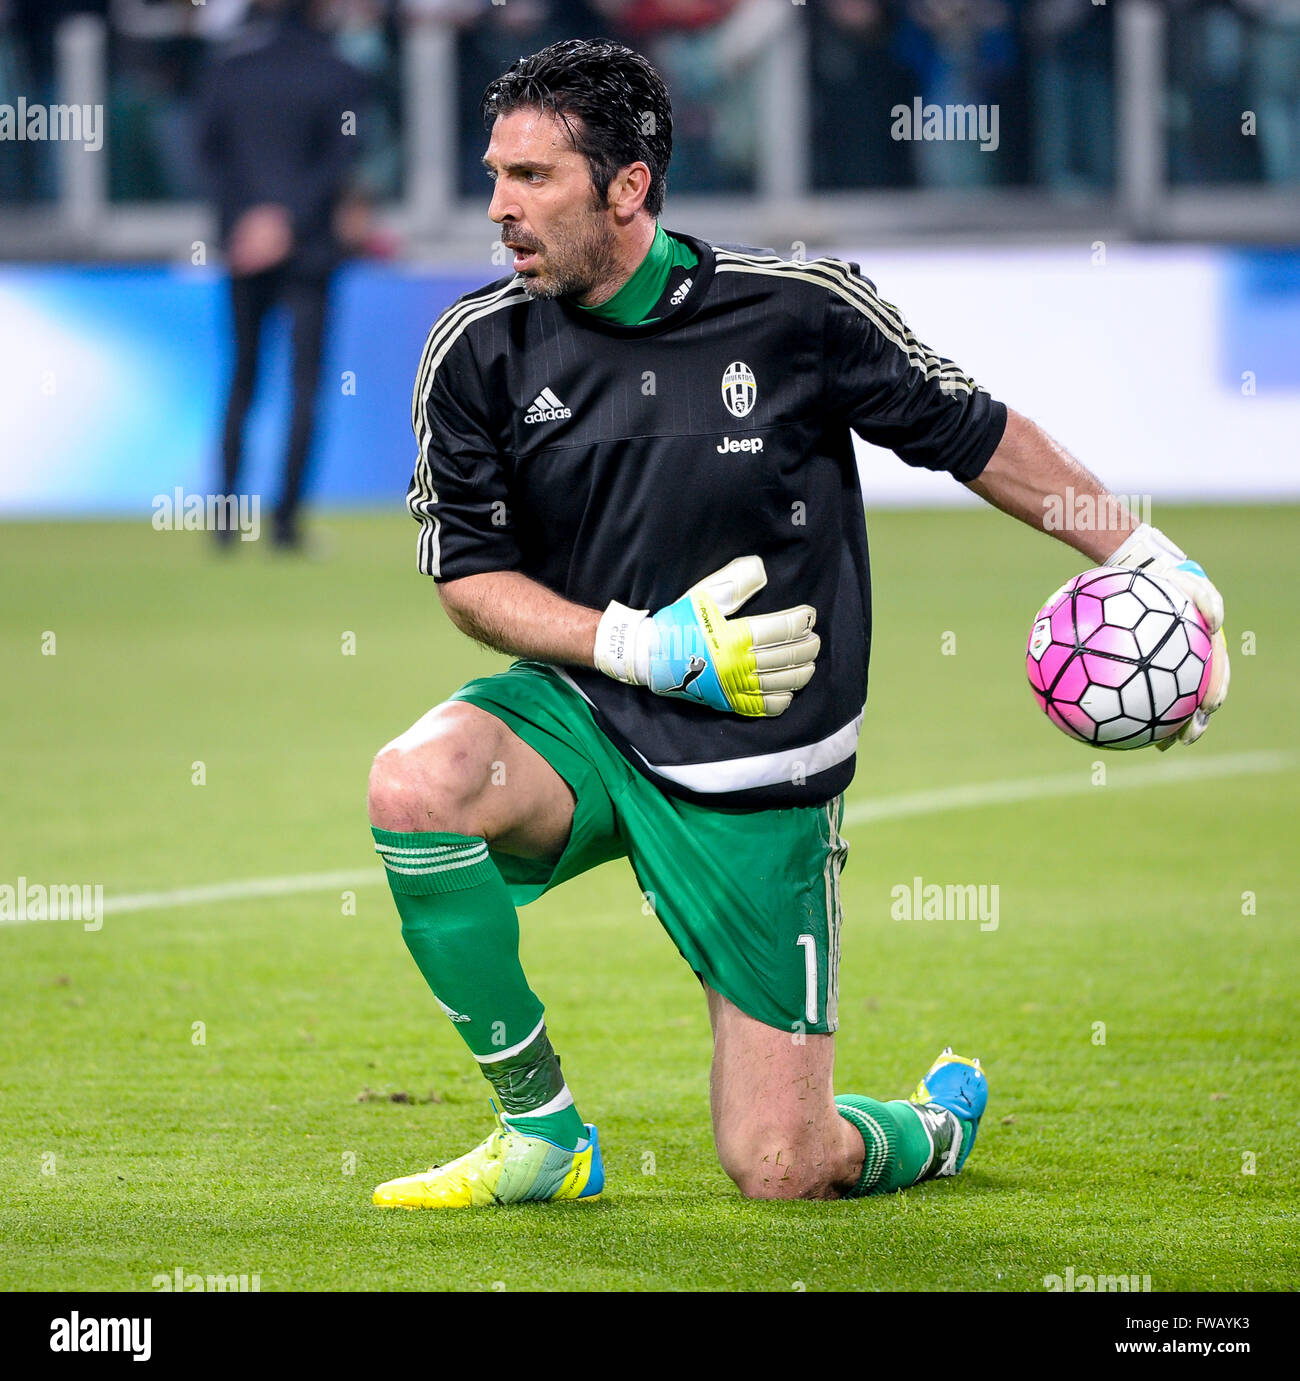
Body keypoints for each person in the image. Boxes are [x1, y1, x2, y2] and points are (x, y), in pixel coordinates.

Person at [365, 38, 1230, 1207]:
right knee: (414, 784)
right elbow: (468, 577)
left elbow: (971, 433)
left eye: (533, 179)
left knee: (781, 1165)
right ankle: (543, 1132)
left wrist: (1144, 554)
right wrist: (638, 644)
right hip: (585, 710)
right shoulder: (476, 348)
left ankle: (926, 1127)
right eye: (495, 176)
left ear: (628, 186)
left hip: (757, 755)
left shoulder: (795, 315)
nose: (499, 210)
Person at [197, 0, 368, 549]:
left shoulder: (229, 69)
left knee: (242, 378)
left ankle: (225, 523)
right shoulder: (339, 72)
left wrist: (251, 220)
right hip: (310, 250)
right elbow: (342, 158)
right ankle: (286, 525)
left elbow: (207, 156)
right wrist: (288, 219)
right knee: (305, 385)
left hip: (244, 248)